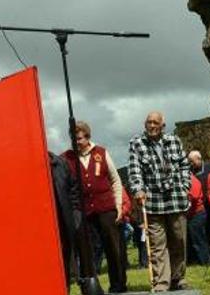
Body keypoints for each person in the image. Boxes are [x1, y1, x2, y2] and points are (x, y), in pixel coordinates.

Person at [127, 111, 191, 292]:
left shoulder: (174, 141)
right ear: (145, 124)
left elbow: (184, 165)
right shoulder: (137, 143)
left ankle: (178, 278)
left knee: (179, 240)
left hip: (176, 199)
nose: (152, 126)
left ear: (163, 125)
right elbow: (134, 170)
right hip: (153, 202)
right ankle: (162, 282)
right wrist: (138, 189)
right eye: (149, 122)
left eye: (156, 123)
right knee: (157, 244)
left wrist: (185, 186)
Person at [61, 121, 127, 293]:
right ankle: (91, 288)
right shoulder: (66, 158)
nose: (77, 142)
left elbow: (115, 180)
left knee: (113, 247)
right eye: (73, 139)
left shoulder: (102, 153)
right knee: (86, 251)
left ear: (88, 137)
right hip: (82, 211)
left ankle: (118, 285)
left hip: (105, 208)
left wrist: (118, 205)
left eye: (80, 139)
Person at [49, 151, 81, 289]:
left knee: (64, 261)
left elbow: (74, 191)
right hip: (42, 225)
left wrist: (75, 215)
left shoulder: (60, 163)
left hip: (63, 222)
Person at [186, 172, 210, 265]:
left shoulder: (193, 181)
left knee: (199, 239)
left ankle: (204, 261)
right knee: (193, 239)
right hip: (191, 214)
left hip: (197, 214)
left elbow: (194, 197)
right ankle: (194, 260)